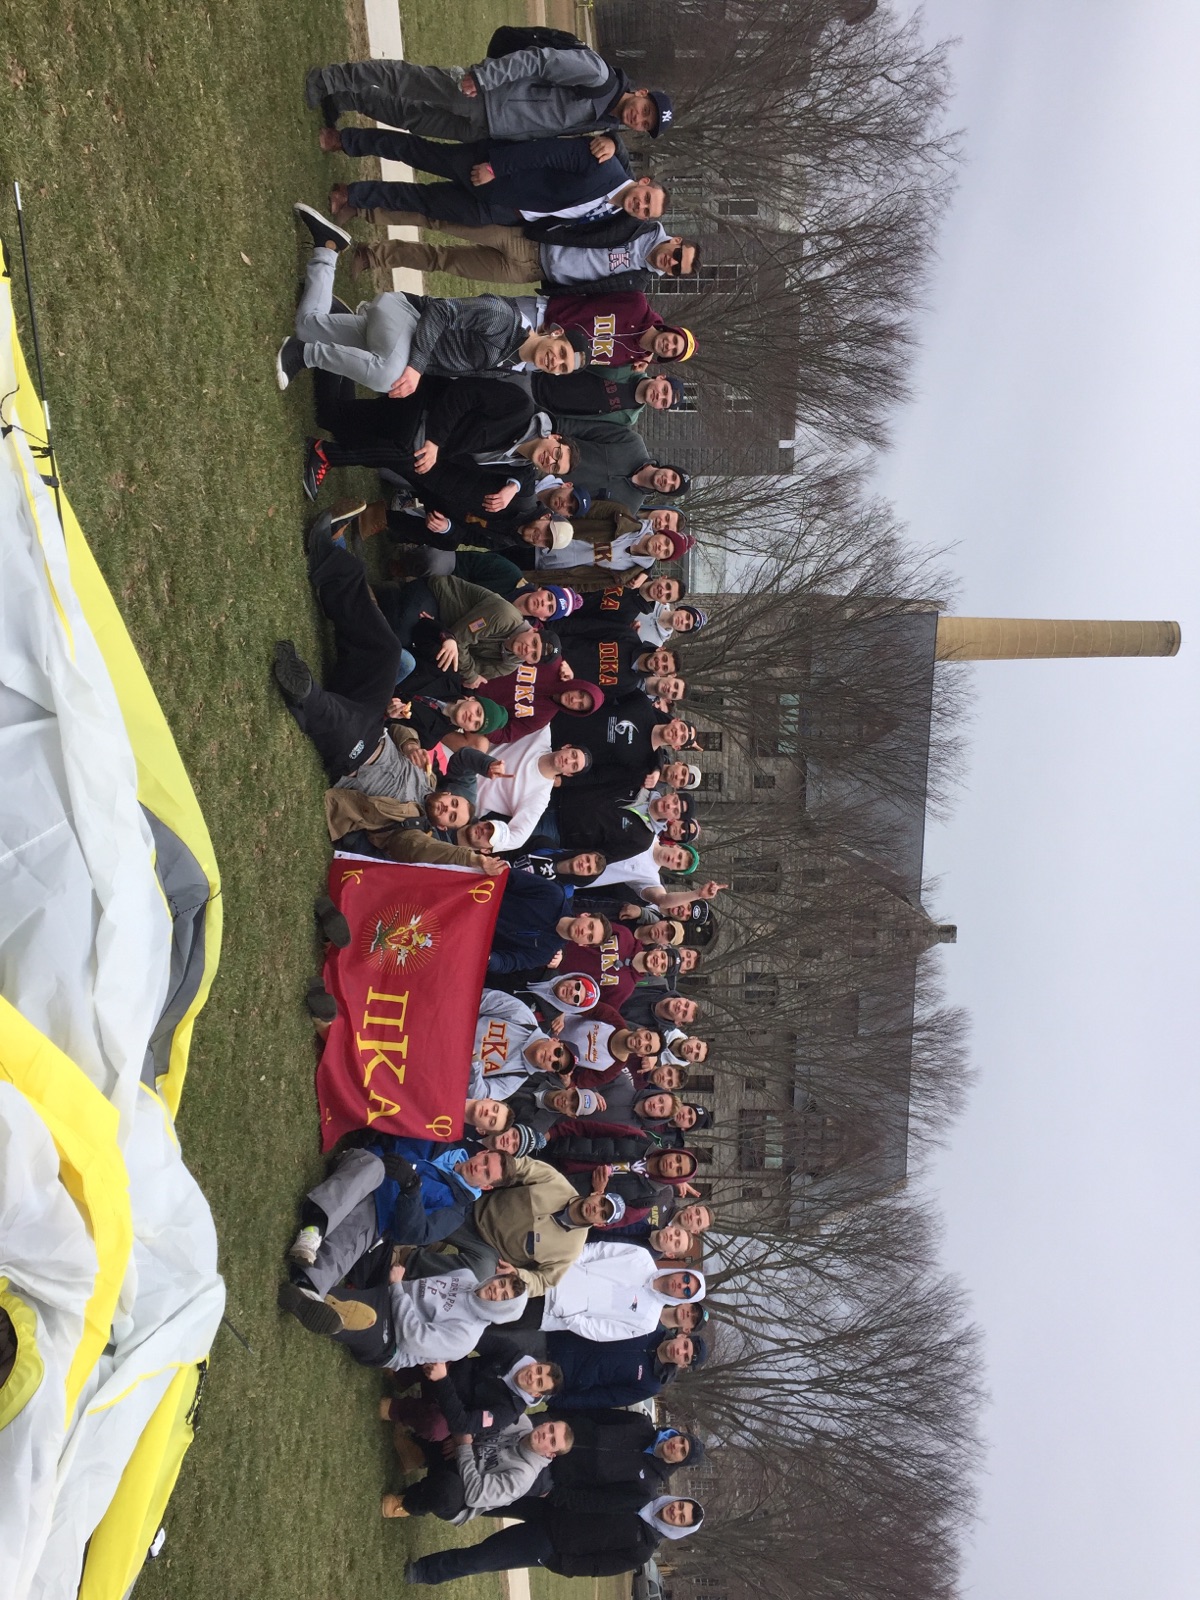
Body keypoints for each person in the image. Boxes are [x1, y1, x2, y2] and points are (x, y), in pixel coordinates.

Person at [277, 211, 587, 396]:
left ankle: (327, 248)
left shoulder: (511, 366)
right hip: (405, 316)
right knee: (388, 376)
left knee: (307, 326)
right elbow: (442, 310)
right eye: (561, 354)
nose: (555, 363)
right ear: (555, 333)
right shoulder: (503, 319)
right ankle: (303, 355)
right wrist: (414, 367)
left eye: (561, 369)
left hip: (400, 342)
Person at [279, 1143, 512, 1313]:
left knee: (353, 1236)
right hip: (368, 1166)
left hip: (381, 1214)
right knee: (372, 1169)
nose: (478, 1167)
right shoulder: (444, 1141)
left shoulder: (455, 1211)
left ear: (487, 1186)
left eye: (486, 1173)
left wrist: (411, 1189)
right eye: (484, 1161)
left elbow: (414, 1233)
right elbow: (395, 1137)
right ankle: (313, 1231)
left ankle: (306, 1290)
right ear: (483, 1152)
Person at [306, 45, 674, 144]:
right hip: (485, 94)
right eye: (646, 110)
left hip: (487, 129)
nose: (639, 119)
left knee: (409, 118)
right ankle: (330, 78)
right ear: (640, 93)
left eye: (645, 124)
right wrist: (484, 77)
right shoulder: (597, 76)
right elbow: (538, 61)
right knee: (407, 81)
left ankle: (347, 98)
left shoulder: (604, 122)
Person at [333, 132, 668, 231]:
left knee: (422, 201)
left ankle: (353, 195)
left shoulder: (611, 215)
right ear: (644, 181)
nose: (640, 206)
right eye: (646, 198)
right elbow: (545, 152)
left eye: (646, 212)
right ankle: (347, 141)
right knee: (418, 152)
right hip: (491, 172)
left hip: (501, 213)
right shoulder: (604, 164)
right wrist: (495, 166)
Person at [404, 1154, 621, 1293]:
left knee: (482, 1274)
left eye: (603, 1214)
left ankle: (406, 1261)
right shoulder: (556, 1182)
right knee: (439, 1200)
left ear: (601, 1225)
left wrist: (520, 1274)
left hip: (488, 1250)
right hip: (475, 1206)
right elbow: (520, 1166)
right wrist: (488, 1172)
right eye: (602, 1202)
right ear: (596, 1193)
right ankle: (408, 1219)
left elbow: (544, 1282)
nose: (597, 1208)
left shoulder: (571, 1251)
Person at [353, 212, 699, 298]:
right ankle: (370, 211)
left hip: (530, 272)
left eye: (676, 270)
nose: (670, 262)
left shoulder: (636, 284)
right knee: (442, 220)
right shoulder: (638, 220)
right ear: (677, 240)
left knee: (444, 260)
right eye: (677, 254)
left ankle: (373, 256)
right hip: (529, 239)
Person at [404, 1493, 704, 1583]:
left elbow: (598, 1567)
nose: (673, 1512)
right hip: (551, 1505)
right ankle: (418, 1501)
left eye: (680, 1518)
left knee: (481, 1558)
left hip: (548, 1543)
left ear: (678, 1528)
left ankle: (422, 1571)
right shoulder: (641, 1495)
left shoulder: (642, 1548)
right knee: (483, 1499)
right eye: (679, 1506)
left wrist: (558, 1562)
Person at [380, 1413, 573, 1522]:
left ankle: (406, 1503)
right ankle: (414, 1455)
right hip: (457, 1456)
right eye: (550, 1429)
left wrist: (463, 1446)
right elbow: (482, 1416)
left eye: (552, 1441)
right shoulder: (519, 1420)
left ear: (550, 1454)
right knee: (454, 1420)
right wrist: (466, 1436)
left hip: (461, 1495)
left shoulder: (523, 1477)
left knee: (447, 1490)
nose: (546, 1435)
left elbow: (474, 1495)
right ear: (547, 1423)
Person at [531, 1243, 704, 1342]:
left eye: (687, 1291)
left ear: (682, 1299)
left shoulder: (648, 1321)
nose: (682, 1285)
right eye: (686, 1280)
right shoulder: (641, 1257)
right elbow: (596, 1250)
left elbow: (601, 1332)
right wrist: (565, 1267)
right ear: (683, 1272)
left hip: (547, 1313)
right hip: (550, 1272)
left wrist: (567, 1314)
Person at [382, 1351, 564, 1443]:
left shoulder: (509, 1413)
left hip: (448, 1405)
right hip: (451, 1369)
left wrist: (442, 1381)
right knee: (443, 1347)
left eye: (539, 1382)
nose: (533, 1376)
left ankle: (396, 1409)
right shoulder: (513, 1354)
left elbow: (463, 1424)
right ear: (537, 1364)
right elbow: (479, 1339)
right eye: (538, 1370)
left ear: (536, 1394)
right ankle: (399, 1376)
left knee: (437, 1428)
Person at [474, 727, 592, 848]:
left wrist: (484, 835)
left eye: (574, 765)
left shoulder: (540, 798)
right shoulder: (540, 734)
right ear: (566, 747)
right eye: (573, 754)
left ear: (568, 774)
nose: (569, 760)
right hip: (467, 757)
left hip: (465, 799)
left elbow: (517, 839)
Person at [486, 868, 610, 976]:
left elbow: (509, 962)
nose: (584, 931)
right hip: (481, 897)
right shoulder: (553, 895)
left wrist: (490, 959)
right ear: (585, 915)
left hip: (476, 937)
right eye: (590, 925)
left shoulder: (545, 954)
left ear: (583, 945)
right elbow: (511, 877)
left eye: (589, 937)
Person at [546, 1325, 707, 1409]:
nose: (679, 1351)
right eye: (685, 1345)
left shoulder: (651, 1384)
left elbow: (605, 1398)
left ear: (683, 1365)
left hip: (560, 1378)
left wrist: (560, 1400)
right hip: (555, 1337)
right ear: (682, 1336)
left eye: (685, 1356)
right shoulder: (650, 1326)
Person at [469, 988, 578, 1101]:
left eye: (556, 1065)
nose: (552, 1058)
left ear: (551, 1071)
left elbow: (480, 1096)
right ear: (554, 1040)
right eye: (558, 1052)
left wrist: (474, 1062)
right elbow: (480, 999)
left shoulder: (514, 1080)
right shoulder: (523, 1016)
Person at [546, 289, 696, 368]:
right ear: (669, 330)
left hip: (548, 354)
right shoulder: (636, 303)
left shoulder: (631, 360)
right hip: (546, 314)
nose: (669, 345)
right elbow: (593, 288)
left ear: (667, 358)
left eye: (674, 351)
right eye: (674, 339)